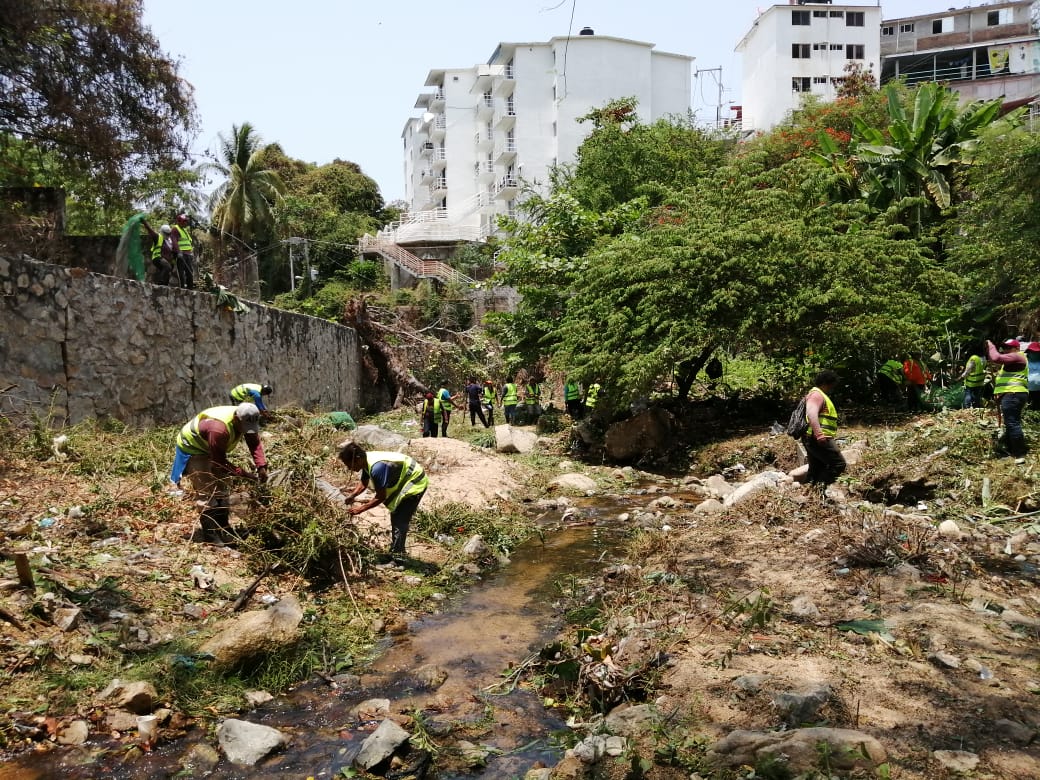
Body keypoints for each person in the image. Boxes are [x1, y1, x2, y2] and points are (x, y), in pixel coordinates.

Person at [169, 403, 268, 544]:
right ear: (236, 419)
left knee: (222, 488)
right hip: (194, 448)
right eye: (244, 427)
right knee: (207, 491)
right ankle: (211, 536)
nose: (246, 431)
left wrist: (261, 466)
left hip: (213, 447)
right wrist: (246, 475)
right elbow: (219, 463)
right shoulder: (219, 429)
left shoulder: (246, 418)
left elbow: (254, 442)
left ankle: (224, 528)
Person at [337, 441, 428, 559]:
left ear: (358, 459)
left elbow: (380, 497)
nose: (349, 468)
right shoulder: (366, 461)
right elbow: (364, 483)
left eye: (349, 464)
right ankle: (396, 550)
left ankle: (398, 559)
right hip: (408, 477)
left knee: (400, 520)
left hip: (415, 481)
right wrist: (352, 496)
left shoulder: (377, 468)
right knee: (396, 516)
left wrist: (360, 509)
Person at [800, 370, 847, 487]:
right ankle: (820, 487)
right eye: (832, 385)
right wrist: (819, 434)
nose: (832, 388)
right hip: (818, 438)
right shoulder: (817, 395)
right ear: (826, 383)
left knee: (816, 467)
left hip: (812, 437)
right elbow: (811, 413)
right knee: (838, 464)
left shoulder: (818, 394)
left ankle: (808, 489)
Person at [986, 338, 1029, 457]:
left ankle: (1019, 453)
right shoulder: (1012, 361)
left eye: (1009, 348)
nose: (1006, 350)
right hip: (1012, 394)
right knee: (1011, 422)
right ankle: (1012, 449)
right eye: (1005, 348)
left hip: (1013, 394)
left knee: (1012, 423)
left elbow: (996, 358)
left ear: (1017, 348)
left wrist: (991, 345)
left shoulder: (1017, 356)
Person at [142, 220, 175, 286]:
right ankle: (159, 283)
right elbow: (150, 230)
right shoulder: (157, 237)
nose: (168, 235)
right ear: (162, 232)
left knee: (167, 273)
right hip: (157, 257)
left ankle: (164, 287)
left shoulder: (169, 241)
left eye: (169, 234)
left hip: (165, 260)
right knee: (167, 267)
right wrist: (144, 222)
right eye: (166, 234)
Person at [958, 344, 987, 409]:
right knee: (977, 394)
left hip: (971, 381)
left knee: (968, 394)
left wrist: (961, 377)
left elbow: (968, 370)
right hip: (980, 380)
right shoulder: (983, 357)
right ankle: (976, 405)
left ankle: (967, 407)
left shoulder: (974, 358)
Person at [171, 213, 195, 289]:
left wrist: (191, 252)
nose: (186, 223)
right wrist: (178, 251)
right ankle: (182, 288)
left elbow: (189, 242)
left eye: (186, 221)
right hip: (181, 254)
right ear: (179, 221)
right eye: (184, 221)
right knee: (181, 272)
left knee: (190, 272)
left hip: (188, 254)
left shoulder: (185, 230)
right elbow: (174, 241)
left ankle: (190, 288)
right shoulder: (175, 229)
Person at [1026, 341, 1040, 409]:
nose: (1034, 353)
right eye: (1032, 352)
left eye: (1036, 352)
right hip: (1026, 389)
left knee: (1037, 406)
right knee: (1026, 405)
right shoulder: (1024, 361)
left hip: (1038, 390)